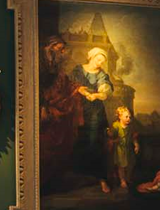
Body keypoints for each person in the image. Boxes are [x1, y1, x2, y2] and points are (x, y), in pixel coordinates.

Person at [38, 35, 82, 188]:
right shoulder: (40, 63)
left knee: (63, 138)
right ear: (51, 46)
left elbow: (64, 82)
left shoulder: (56, 65)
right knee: (46, 143)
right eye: (60, 48)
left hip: (56, 107)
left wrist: (76, 87)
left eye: (64, 49)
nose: (63, 52)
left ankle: (53, 179)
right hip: (45, 108)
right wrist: (43, 107)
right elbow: (38, 87)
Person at [71, 47, 113, 193]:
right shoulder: (78, 70)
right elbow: (71, 85)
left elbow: (105, 90)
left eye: (103, 61)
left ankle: (101, 179)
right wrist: (82, 91)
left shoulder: (102, 75)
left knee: (95, 142)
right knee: (77, 140)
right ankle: (79, 177)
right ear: (91, 57)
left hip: (95, 112)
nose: (100, 63)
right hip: (77, 110)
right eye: (98, 59)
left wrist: (97, 95)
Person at [108, 106, 140, 191]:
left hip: (129, 149)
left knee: (130, 164)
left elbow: (133, 138)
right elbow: (111, 137)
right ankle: (122, 180)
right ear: (120, 117)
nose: (128, 118)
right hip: (120, 150)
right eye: (126, 117)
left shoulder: (131, 127)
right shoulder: (116, 125)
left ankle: (127, 178)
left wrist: (136, 145)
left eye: (129, 117)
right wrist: (114, 139)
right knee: (121, 166)